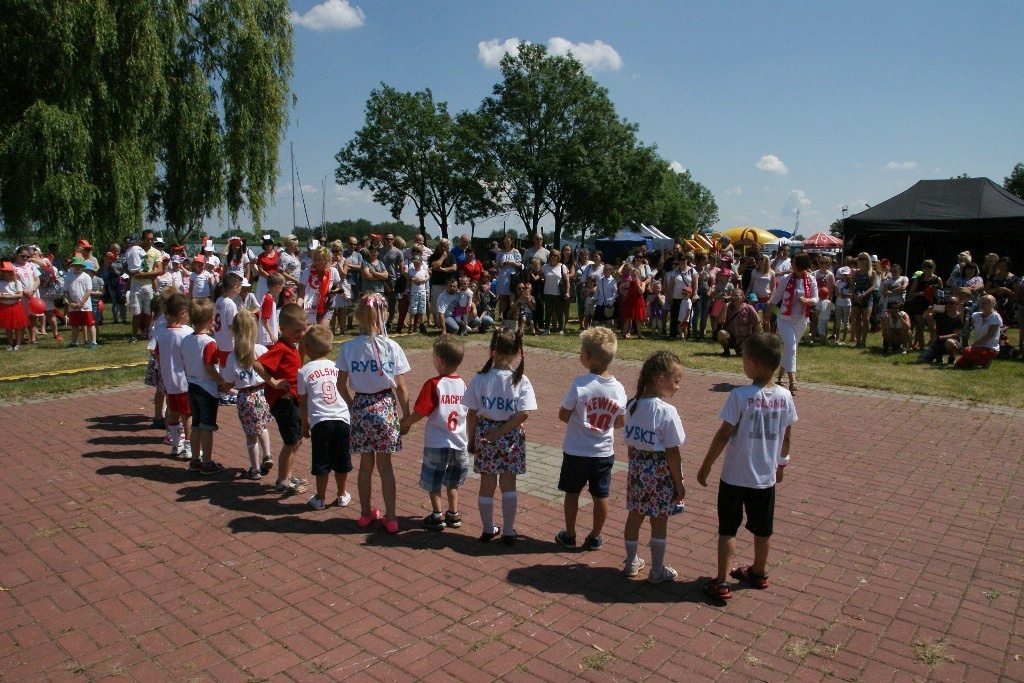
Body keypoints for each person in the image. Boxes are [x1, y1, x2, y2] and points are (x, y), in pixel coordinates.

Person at [697, 332, 797, 600]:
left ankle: (721, 581)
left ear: (754, 364)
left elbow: (723, 435)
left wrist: (706, 465)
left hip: (734, 477)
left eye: (743, 360)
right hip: (765, 478)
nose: (743, 365)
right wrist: (781, 465)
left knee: (728, 528)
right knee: (763, 529)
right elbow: (786, 436)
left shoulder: (739, 395)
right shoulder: (785, 396)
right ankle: (759, 572)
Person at [336, 293, 411, 533]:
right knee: (385, 466)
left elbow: (340, 384)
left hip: (361, 406)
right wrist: (406, 415)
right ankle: (392, 517)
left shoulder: (348, 348)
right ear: (384, 315)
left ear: (358, 317)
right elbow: (400, 385)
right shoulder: (391, 346)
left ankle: (365, 513)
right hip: (384, 405)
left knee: (365, 465)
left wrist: (352, 406)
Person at [554, 327, 627, 552]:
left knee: (572, 493)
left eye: (581, 351)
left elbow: (563, 414)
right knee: (601, 495)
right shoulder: (618, 389)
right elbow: (620, 422)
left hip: (576, 450)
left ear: (587, 356)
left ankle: (570, 534)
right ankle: (595, 536)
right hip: (603, 453)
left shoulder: (580, 384)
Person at [463, 328, 537, 545]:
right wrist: (501, 432)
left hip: (485, 434)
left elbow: (471, 413)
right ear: (516, 353)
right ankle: (508, 531)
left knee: (486, 484)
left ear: (492, 350)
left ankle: (488, 529)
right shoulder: (521, 380)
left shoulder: (480, 379)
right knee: (508, 485)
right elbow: (524, 413)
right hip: (510, 436)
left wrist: (471, 440)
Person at [621, 350, 686, 584]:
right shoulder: (666, 411)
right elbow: (673, 452)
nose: (678, 386)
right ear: (660, 380)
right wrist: (679, 484)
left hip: (637, 469)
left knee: (634, 516)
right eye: (676, 381)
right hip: (660, 472)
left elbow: (630, 445)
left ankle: (631, 561)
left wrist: (636, 469)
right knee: (659, 521)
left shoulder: (632, 405)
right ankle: (657, 570)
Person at [400, 335, 469, 530]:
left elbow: (422, 411)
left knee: (434, 479)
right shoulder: (464, 385)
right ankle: (453, 513)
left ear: (440, 361)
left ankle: (437, 515)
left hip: (437, 442)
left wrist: (405, 423)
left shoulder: (434, 384)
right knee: (453, 482)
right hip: (459, 441)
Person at [254, 303, 310, 494]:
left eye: (304, 329)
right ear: (283, 328)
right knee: (290, 442)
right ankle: (282, 480)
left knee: (297, 439)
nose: (301, 333)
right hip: (284, 402)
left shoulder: (292, 346)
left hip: (292, 400)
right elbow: (257, 364)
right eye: (297, 330)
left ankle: (288, 475)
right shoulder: (281, 348)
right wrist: (274, 382)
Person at [297, 324, 353, 510]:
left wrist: (304, 424)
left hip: (320, 422)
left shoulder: (304, 371)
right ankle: (342, 494)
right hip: (342, 419)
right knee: (342, 461)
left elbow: (302, 402)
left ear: (307, 348)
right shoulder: (337, 367)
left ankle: (320, 497)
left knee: (321, 461)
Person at [181, 297, 231, 475]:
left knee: (196, 425)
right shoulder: (209, 342)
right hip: (207, 389)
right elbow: (209, 367)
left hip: (192, 385)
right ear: (211, 319)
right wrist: (222, 382)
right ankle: (207, 462)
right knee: (207, 427)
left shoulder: (186, 340)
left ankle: (195, 459)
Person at [223, 309, 273, 480]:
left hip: (245, 397)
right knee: (262, 426)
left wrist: (225, 388)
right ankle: (268, 455)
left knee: (251, 435)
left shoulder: (232, 357)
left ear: (234, 331)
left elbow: (228, 380)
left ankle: (255, 469)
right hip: (262, 393)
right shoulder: (261, 350)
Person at [767, 252, 816, 392]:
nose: (791, 265)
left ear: (801, 264)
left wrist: (808, 300)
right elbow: (777, 296)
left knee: (790, 348)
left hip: (801, 319)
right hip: (784, 318)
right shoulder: (786, 279)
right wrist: (767, 313)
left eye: (794, 263)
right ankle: (792, 381)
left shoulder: (811, 279)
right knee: (791, 346)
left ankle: (780, 375)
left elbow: (816, 298)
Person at [154, 294, 194, 461]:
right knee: (188, 415)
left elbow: (156, 354)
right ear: (183, 313)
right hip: (184, 381)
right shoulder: (187, 333)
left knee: (173, 412)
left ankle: (176, 444)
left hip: (169, 381)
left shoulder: (162, 332)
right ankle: (189, 446)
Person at [126, 230, 163, 343]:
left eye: (152, 239)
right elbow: (125, 266)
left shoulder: (156, 252)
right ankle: (134, 335)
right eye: (147, 239)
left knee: (148, 311)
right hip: (135, 284)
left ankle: (148, 333)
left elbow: (160, 270)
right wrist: (132, 273)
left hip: (148, 284)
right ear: (142, 239)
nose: (150, 241)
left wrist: (144, 275)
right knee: (136, 311)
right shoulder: (135, 250)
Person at [213, 273, 242, 402]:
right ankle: (224, 393)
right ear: (235, 287)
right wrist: (239, 338)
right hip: (229, 341)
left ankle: (223, 390)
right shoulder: (230, 303)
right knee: (228, 367)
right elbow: (232, 325)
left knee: (223, 366)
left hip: (220, 338)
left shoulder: (219, 300)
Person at [954, 294, 1002, 369]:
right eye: (981, 303)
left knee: (966, 351)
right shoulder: (976, 315)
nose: (982, 305)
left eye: (985, 303)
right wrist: (961, 311)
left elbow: (990, 334)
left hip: (990, 348)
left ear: (992, 304)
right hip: (977, 347)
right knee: (958, 365)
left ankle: (985, 361)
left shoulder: (995, 316)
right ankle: (975, 361)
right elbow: (964, 323)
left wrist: (974, 345)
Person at [716, 289, 762, 357]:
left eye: (736, 295)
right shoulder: (728, 307)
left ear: (742, 297)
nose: (734, 297)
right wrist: (725, 305)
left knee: (741, 354)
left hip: (744, 339)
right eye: (732, 295)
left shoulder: (749, 308)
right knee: (721, 333)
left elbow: (758, 325)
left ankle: (742, 348)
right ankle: (726, 351)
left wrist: (750, 339)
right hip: (731, 338)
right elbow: (720, 321)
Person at [849, 253, 877, 348]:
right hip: (856, 297)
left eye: (864, 259)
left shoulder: (872, 273)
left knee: (866, 320)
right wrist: (855, 296)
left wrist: (863, 295)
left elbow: (873, 286)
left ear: (868, 260)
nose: (861, 261)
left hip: (867, 298)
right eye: (860, 259)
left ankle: (863, 341)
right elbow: (851, 287)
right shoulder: (856, 273)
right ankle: (858, 341)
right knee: (857, 320)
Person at [0, 261, 29, 350]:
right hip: (5, 307)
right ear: (2, 273)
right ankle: (10, 343)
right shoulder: (1, 283)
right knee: (8, 327)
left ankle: (17, 343)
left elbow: (19, 295)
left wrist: (5, 296)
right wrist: (12, 296)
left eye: (9, 272)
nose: (8, 274)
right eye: (6, 272)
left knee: (18, 327)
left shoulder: (17, 283)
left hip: (15, 306)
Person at [494, 234, 523, 321]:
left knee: (511, 295)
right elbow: (496, 265)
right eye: (505, 240)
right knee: (502, 296)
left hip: (512, 275)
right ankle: (501, 315)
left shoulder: (515, 252)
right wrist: (501, 265)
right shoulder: (500, 252)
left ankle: (511, 314)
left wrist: (512, 263)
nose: (506, 242)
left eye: (508, 240)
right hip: (503, 275)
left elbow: (519, 265)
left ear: (511, 241)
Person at [541, 252, 569, 335]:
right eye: (551, 255)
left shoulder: (562, 267)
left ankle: (561, 329)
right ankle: (546, 329)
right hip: (547, 292)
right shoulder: (545, 266)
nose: (553, 257)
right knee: (548, 312)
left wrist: (567, 292)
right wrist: (544, 278)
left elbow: (567, 281)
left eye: (555, 255)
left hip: (559, 293)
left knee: (560, 312)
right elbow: (540, 273)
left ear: (558, 257)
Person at [257, 273, 285, 346]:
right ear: (278, 287)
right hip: (267, 338)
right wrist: (271, 334)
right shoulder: (268, 299)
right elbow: (264, 319)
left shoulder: (268, 298)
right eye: (282, 287)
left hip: (268, 337)